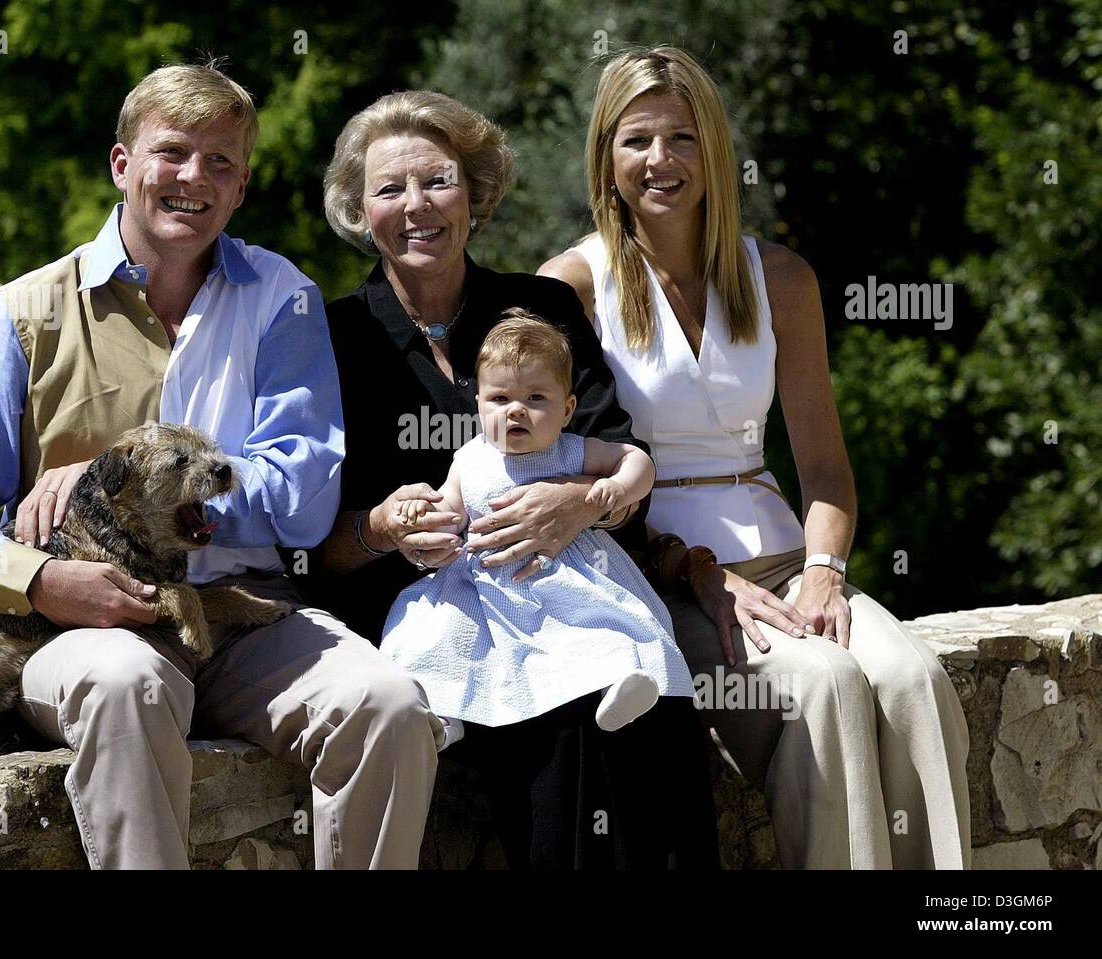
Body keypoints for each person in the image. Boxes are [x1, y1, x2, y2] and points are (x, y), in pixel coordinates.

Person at [0, 61, 441, 870]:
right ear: (122, 164)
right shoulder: (24, 312)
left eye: (221, 161)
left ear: (243, 185)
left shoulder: (282, 297)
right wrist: (38, 580)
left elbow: (307, 494)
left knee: (387, 705)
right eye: (172, 152)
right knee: (124, 686)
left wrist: (137, 491)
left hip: (242, 615)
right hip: (75, 626)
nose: (194, 177)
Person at [540, 46, 971, 869]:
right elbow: (559, 479)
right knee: (827, 687)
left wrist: (823, 572)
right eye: (636, 141)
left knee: (915, 681)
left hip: (785, 561)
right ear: (606, 155)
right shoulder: (571, 286)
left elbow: (828, 471)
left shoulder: (781, 277)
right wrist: (697, 572)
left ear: (715, 149)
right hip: (668, 584)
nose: (660, 161)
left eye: (682, 137)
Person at [304, 89, 719, 869]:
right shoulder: (330, 338)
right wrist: (382, 528)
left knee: (651, 701)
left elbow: (622, 463)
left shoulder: (542, 307)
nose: (417, 206)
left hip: (575, 592)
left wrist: (579, 503)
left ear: (476, 192)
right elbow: (307, 546)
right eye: (390, 188)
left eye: (438, 181)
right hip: (435, 621)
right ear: (360, 210)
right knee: (564, 723)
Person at [380, 312, 696, 745]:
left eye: (535, 398)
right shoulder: (468, 460)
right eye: (499, 398)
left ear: (567, 409)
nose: (516, 410)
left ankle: (621, 682)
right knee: (434, 633)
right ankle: (443, 713)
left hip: (567, 574)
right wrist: (426, 520)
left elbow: (637, 460)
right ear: (479, 405)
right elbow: (450, 514)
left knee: (596, 624)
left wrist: (618, 486)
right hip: (487, 584)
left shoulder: (573, 451)